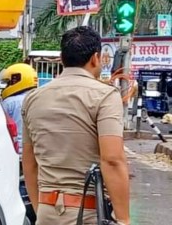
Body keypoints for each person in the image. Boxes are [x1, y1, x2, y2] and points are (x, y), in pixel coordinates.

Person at [21, 26, 130, 225]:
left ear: (62, 59)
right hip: (87, 213)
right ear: (95, 58)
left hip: (46, 211)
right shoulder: (105, 96)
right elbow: (112, 160)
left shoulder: (33, 98)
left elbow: (29, 162)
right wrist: (123, 219)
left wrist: (41, 209)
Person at [0, 63, 38, 154]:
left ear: (16, 81)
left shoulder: (9, 102)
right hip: (35, 150)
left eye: (8, 82)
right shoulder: (39, 98)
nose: (6, 86)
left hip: (15, 150)